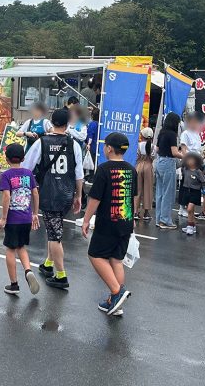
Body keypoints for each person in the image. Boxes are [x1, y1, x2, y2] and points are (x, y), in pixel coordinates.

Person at [23, 107, 83, 289]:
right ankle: (48, 264)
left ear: (51, 123)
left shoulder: (42, 142)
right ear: (67, 124)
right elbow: (79, 173)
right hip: (66, 193)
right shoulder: (73, 144)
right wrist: (78, 195)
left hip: (49, 193)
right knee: (54, 228)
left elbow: (27, 166)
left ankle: (61, 275)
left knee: (55, 233)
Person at [82, 132, 136, 316]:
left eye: (105, 146)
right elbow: (133, 196)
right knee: (116, 260)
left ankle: (116, 292)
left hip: (108, 222)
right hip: (126, 220)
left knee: (95, 255)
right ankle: (116, 303)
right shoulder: (131, 169)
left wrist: (86, 220)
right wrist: (132, 218)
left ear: (109, 148)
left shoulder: (104, 169)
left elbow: (95, 198)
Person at [0, 143, 40, 296]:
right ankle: (28, 271)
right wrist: (35, 213)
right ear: (23, 158)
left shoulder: (6, 175)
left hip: (13, 219)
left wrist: (3, 218)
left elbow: (6, 196)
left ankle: (14, 284)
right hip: (26, 218)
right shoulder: (28, 174)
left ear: (7, 159)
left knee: (10, 249)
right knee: (21, 246)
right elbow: (35, 193)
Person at [154, 112, 183, 230]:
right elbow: (174, 153)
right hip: (168, 163)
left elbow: (156, 149)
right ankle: (165, 220)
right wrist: (186, 156)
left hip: (159, 162)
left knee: (160, 192)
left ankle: (159, 219)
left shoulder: (162, 132)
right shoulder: (172, 135)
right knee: (168, 193)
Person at [177, 112, 203, 217]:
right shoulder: (185, 133)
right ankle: (181, 208)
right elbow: (183, 148)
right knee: (185, 185)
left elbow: (198, 149)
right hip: (189, 162)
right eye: (193, 122)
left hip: (197, 162)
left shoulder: (197, 134)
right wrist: (187, 161)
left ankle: (190, 208)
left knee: (194, 186)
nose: (195, 124)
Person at [179, 152, 205, 235]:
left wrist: (203, 190)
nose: (190, 161)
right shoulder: (185, 169)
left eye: (192, 160)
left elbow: (203, 181)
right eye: (188, 160)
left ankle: (190, 226)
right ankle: (191, 225)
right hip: (186, 190)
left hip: (195, 192)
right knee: (190, 211)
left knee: (189, 209)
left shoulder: (198, 171)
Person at [134, 127, 154, 221]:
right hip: (148, 167)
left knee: (137, 190)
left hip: (138, 166)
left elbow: (136, 156)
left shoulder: (138, 145)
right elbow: (153, 157)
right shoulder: (153, 146)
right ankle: (146, 213)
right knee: (148, 190)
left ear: (142, 136)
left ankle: (135, 212)